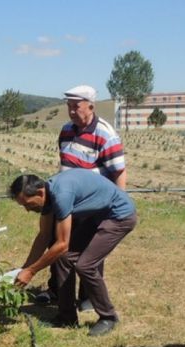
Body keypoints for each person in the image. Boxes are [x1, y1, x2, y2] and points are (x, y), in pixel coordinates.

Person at [10, 170, 137, 336]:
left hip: (119, 216)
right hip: (97, 216)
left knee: (85, 266)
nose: (27, 209)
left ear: (40, 192)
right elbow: (44, 236)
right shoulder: (47, 197)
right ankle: (66, 317)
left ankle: (108, 317)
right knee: (63, 258)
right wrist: (24, 269)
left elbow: (62, 244)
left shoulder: (61, 194)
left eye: (28, 204)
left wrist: (32, 271)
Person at [36, 85, 127, 313]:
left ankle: (87, 298)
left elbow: (118, 172)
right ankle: (58, 290)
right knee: (59, 247)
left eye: (76, 106)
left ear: (91, 106)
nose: (71, 111)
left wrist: (113, 208)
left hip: (95, 205)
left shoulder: (105, 134)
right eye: (69, 106)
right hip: (67, 202)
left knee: (88, 254)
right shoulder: (66, 130)